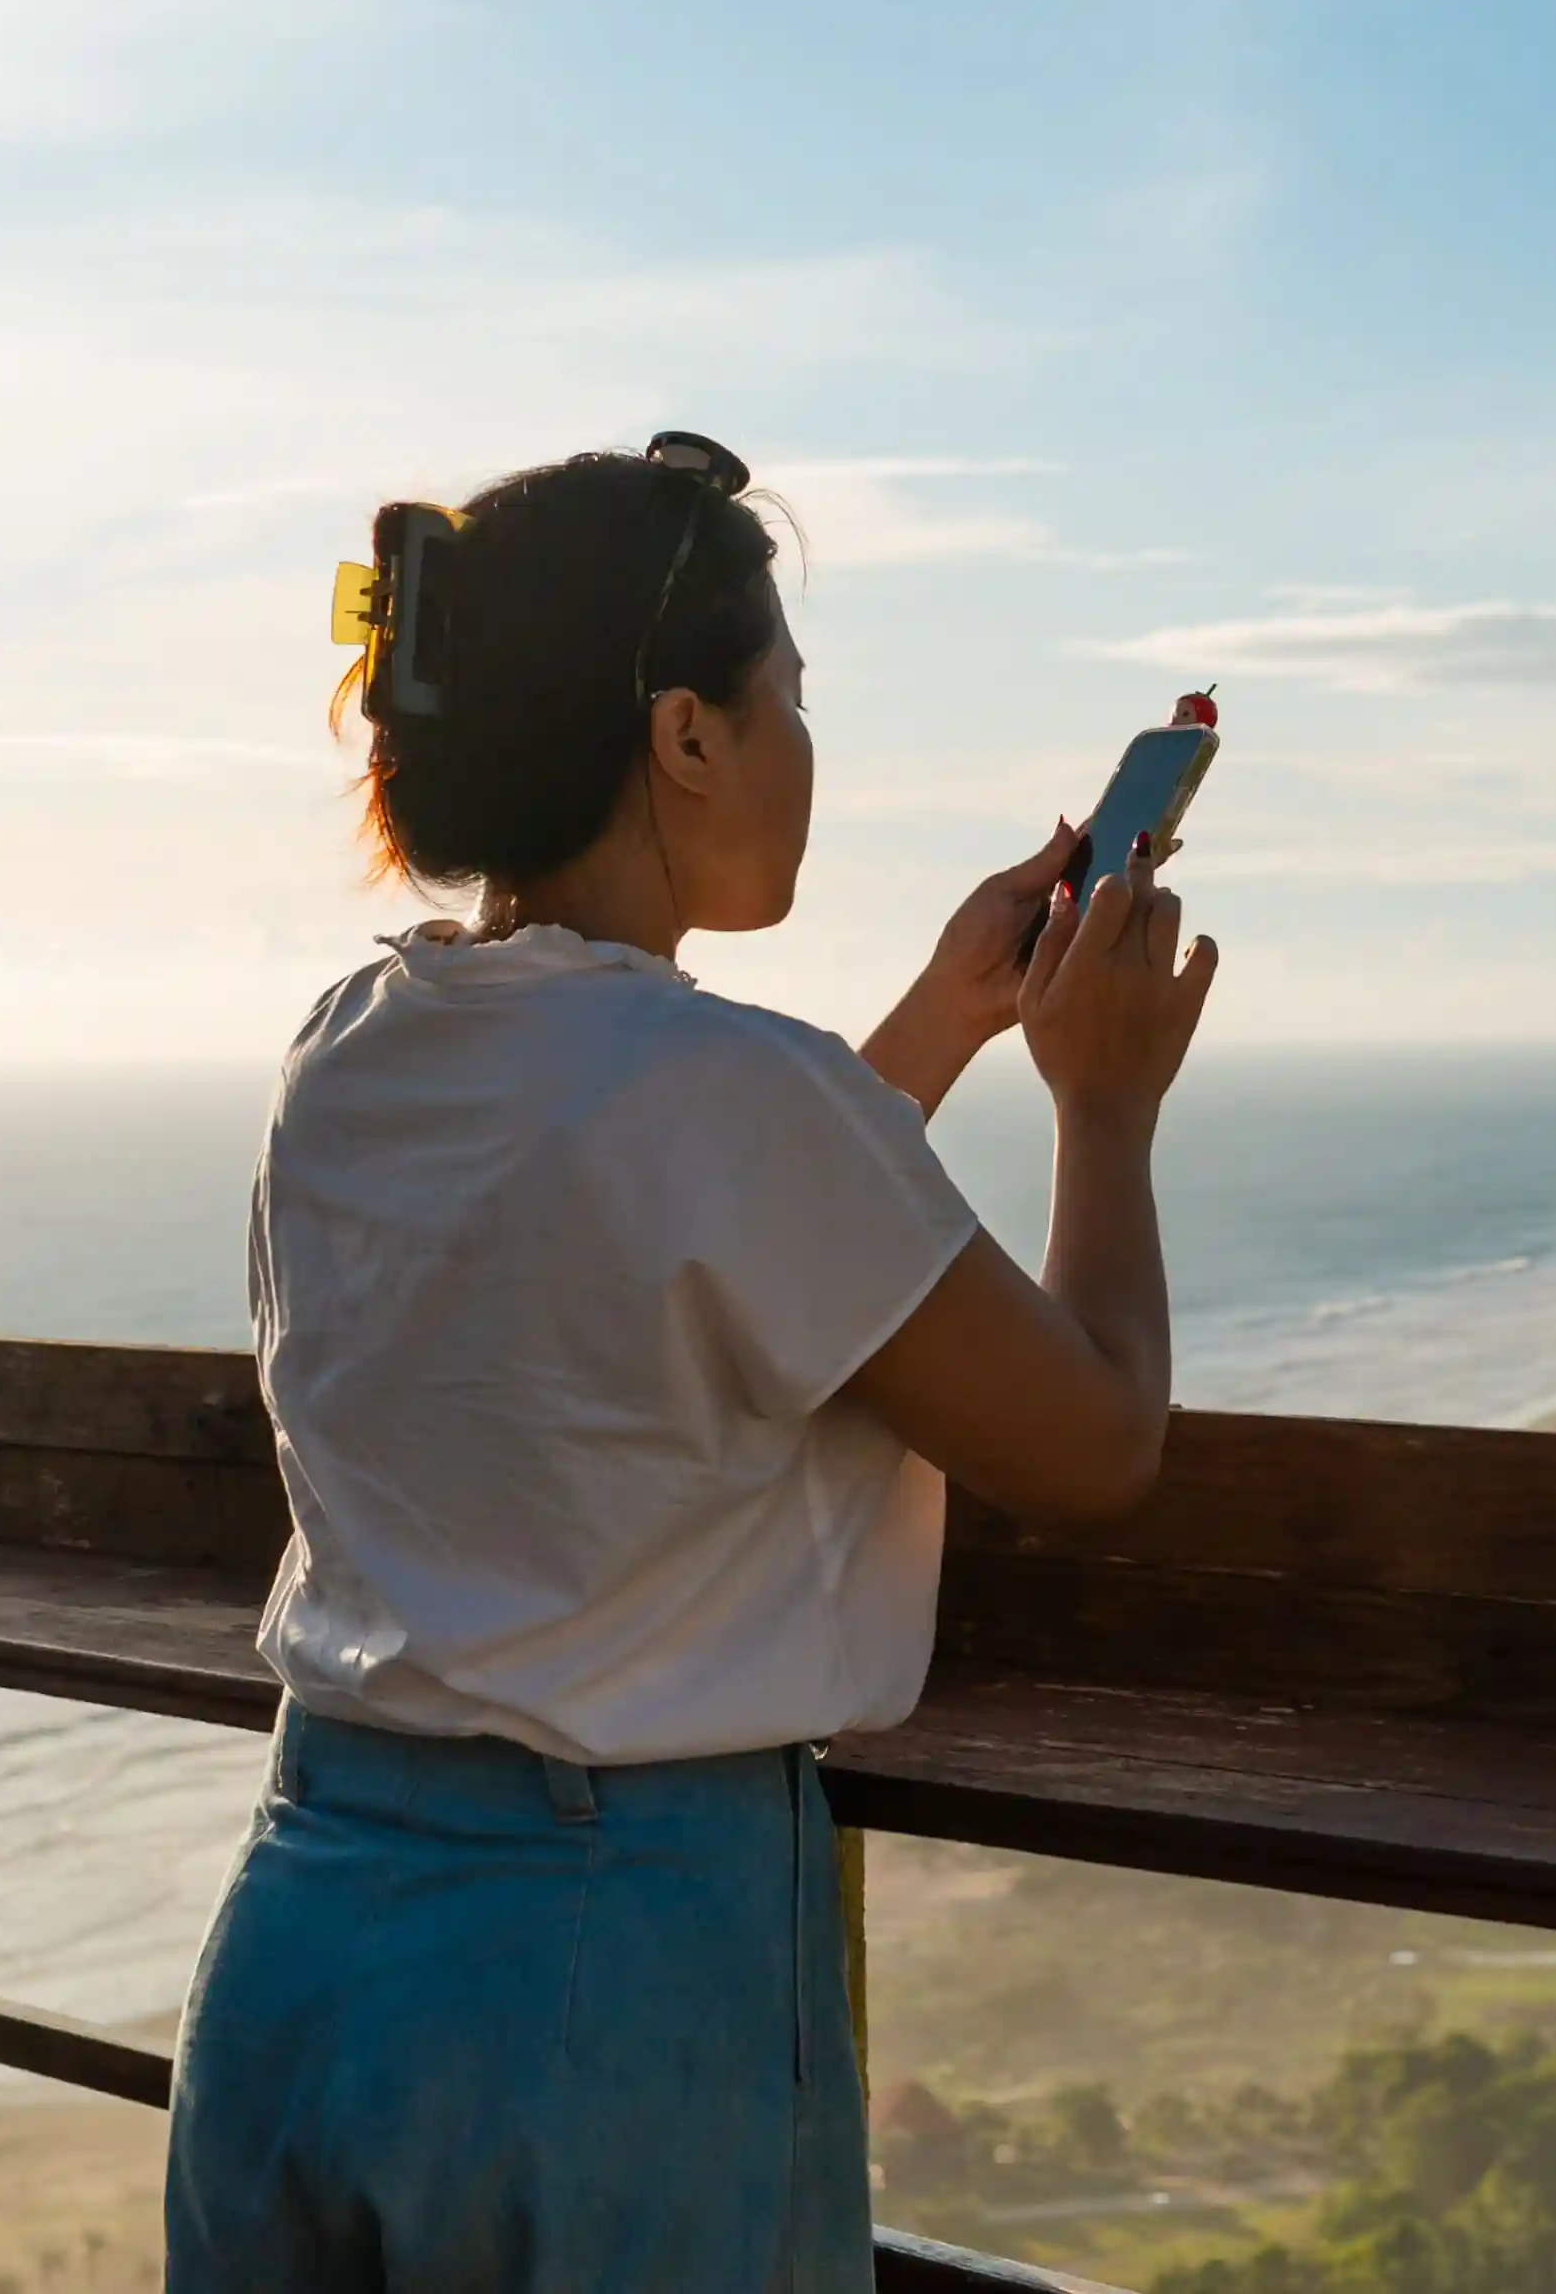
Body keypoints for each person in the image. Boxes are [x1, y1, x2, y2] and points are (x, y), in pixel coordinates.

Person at [164, 431, 1217, 2294]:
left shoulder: (352, 1048)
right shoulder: (734, 1103)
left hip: (309, 1921)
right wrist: (1103, 1104)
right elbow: (1099, 1439)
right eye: (786, 695)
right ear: (687, 738)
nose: (806, 743)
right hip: (608, 1965)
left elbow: (652, 1239)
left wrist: (941, 1023)